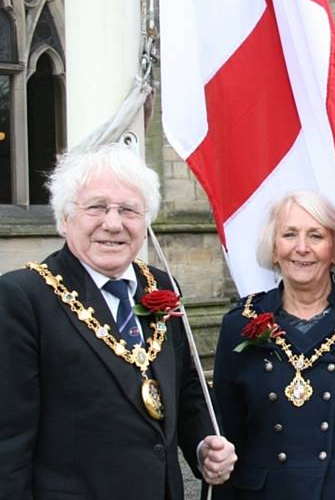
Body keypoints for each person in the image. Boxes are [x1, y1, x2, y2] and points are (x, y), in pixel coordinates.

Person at [0, 142, 236, 500]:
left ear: (145, 221)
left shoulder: (162, 285)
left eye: (128, 210)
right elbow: (8, 445)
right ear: (65, 219)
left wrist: (204, 445)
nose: (113, 224)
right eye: (96, 207)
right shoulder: (22, 297)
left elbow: (187, 388)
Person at [212, 191, 335, 500]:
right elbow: (229, 431)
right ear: (274, 249)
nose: (302, 248)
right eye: (289, 234)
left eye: (316, 235)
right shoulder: (240, 324)